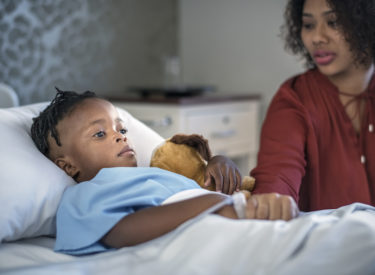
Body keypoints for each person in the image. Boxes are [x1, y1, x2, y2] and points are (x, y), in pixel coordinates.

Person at [30, 89, 299, 255]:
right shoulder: (85, 194)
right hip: (209, 234)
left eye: (121, 129)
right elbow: (118, 232)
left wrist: (219, 163)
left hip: (238, 217)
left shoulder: (157, 174)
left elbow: (204, 185)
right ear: (68, 166)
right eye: (100, 134)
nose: (120, 137)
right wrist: (215, 205)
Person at [251, 0, 375, 211]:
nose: (317, 37)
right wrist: (271, 200)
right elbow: (276, 176)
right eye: (308, 25)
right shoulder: (294, 99)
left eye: (334, 22)